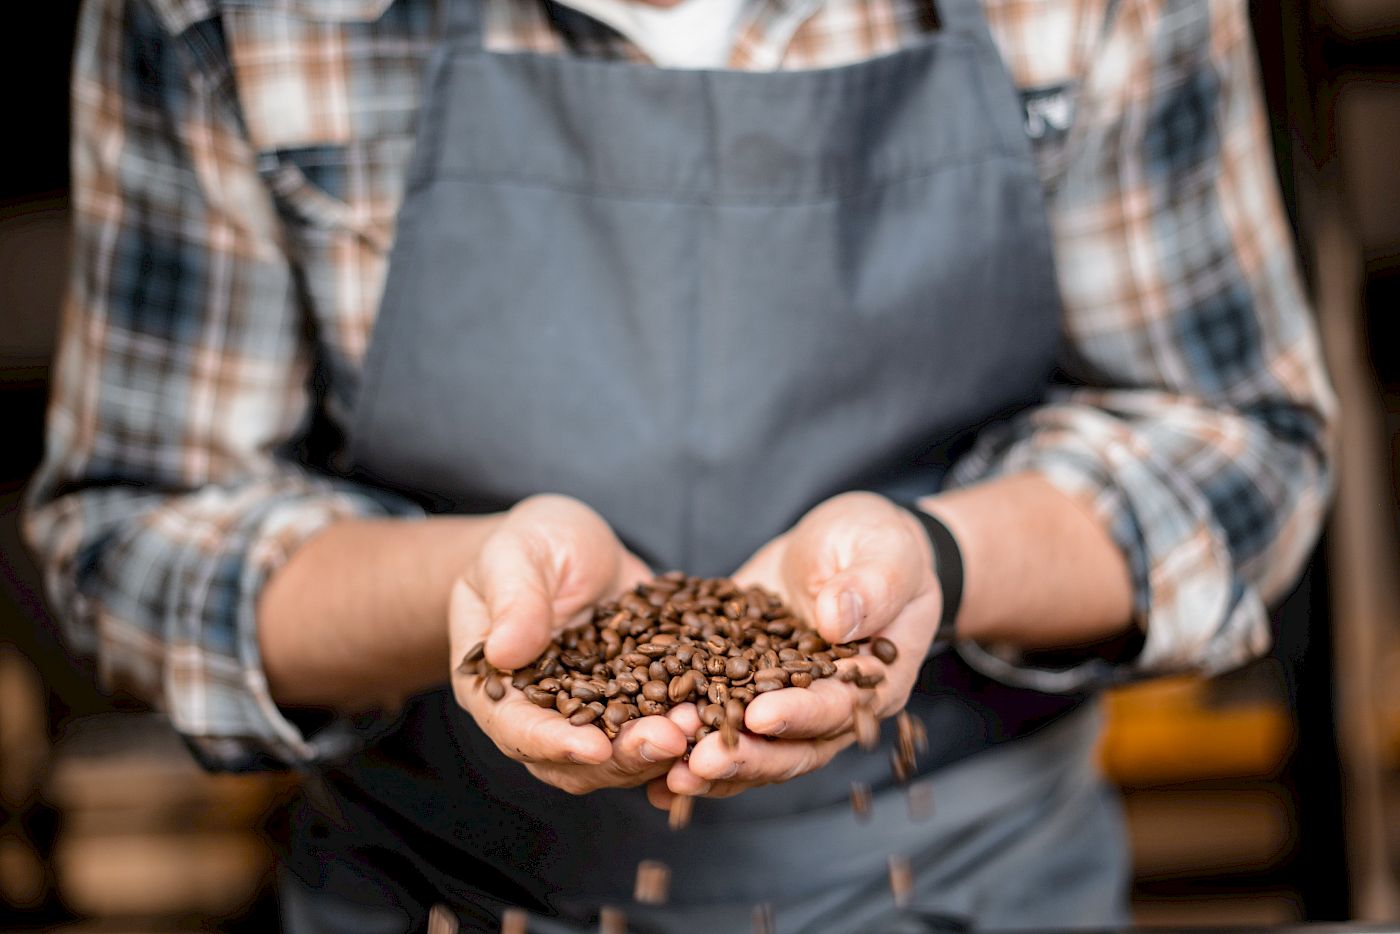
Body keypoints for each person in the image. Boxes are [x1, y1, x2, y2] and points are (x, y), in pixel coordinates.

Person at [25, 0, 1334, 930]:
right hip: (441, 894)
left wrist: (941, 556)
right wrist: (470, 595)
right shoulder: (224, 17)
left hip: (970, 891)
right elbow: (136, 530)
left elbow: (1235, 439)